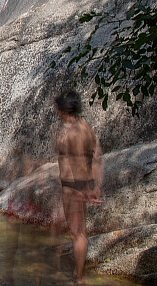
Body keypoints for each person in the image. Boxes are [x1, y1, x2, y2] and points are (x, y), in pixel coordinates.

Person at [55, 90, 104, 284]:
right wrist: (96, 185)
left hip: (72, 187)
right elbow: (97, 155)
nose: (57, 112)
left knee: (77, 233)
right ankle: (79, 274)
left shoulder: (73, 132)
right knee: (78, 231)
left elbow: (77, 164)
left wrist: (85, 190)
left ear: (64, 109)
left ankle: (79, 277)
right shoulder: (85, 126)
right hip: (80, 186)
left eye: (59, 108)